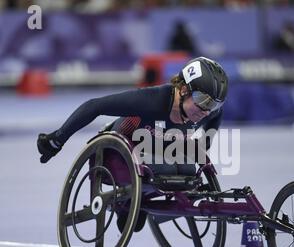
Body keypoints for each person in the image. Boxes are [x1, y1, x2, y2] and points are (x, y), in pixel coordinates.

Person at [37, 56, 228, 232]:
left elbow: (216, 117)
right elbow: (94, 106)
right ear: (184, 89)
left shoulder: (205, 111)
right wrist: (57, 140)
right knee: (163, 168)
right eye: (202, 100)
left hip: (157, 149)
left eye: (213, 104)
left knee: (187, 169)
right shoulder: (153, 100)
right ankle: (130, 203)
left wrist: (204, 145)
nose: (206, 110)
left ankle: (140, 200)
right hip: (119, 153)